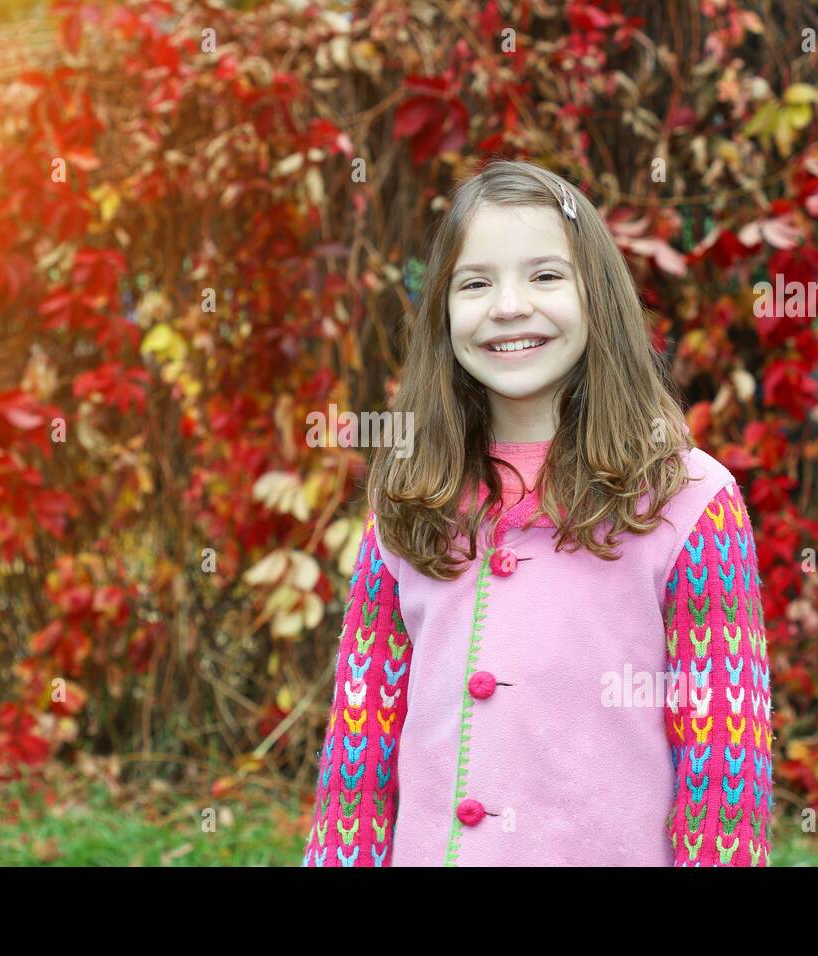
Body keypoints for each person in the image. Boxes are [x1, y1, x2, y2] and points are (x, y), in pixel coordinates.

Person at [302, 159, 772, 866]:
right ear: (443, 314)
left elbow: (723, 762)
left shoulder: (690, 500)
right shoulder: (406, 495)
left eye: (546, 276)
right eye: (476, 282)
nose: (510, 305)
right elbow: (359, 750)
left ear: (599, 298)